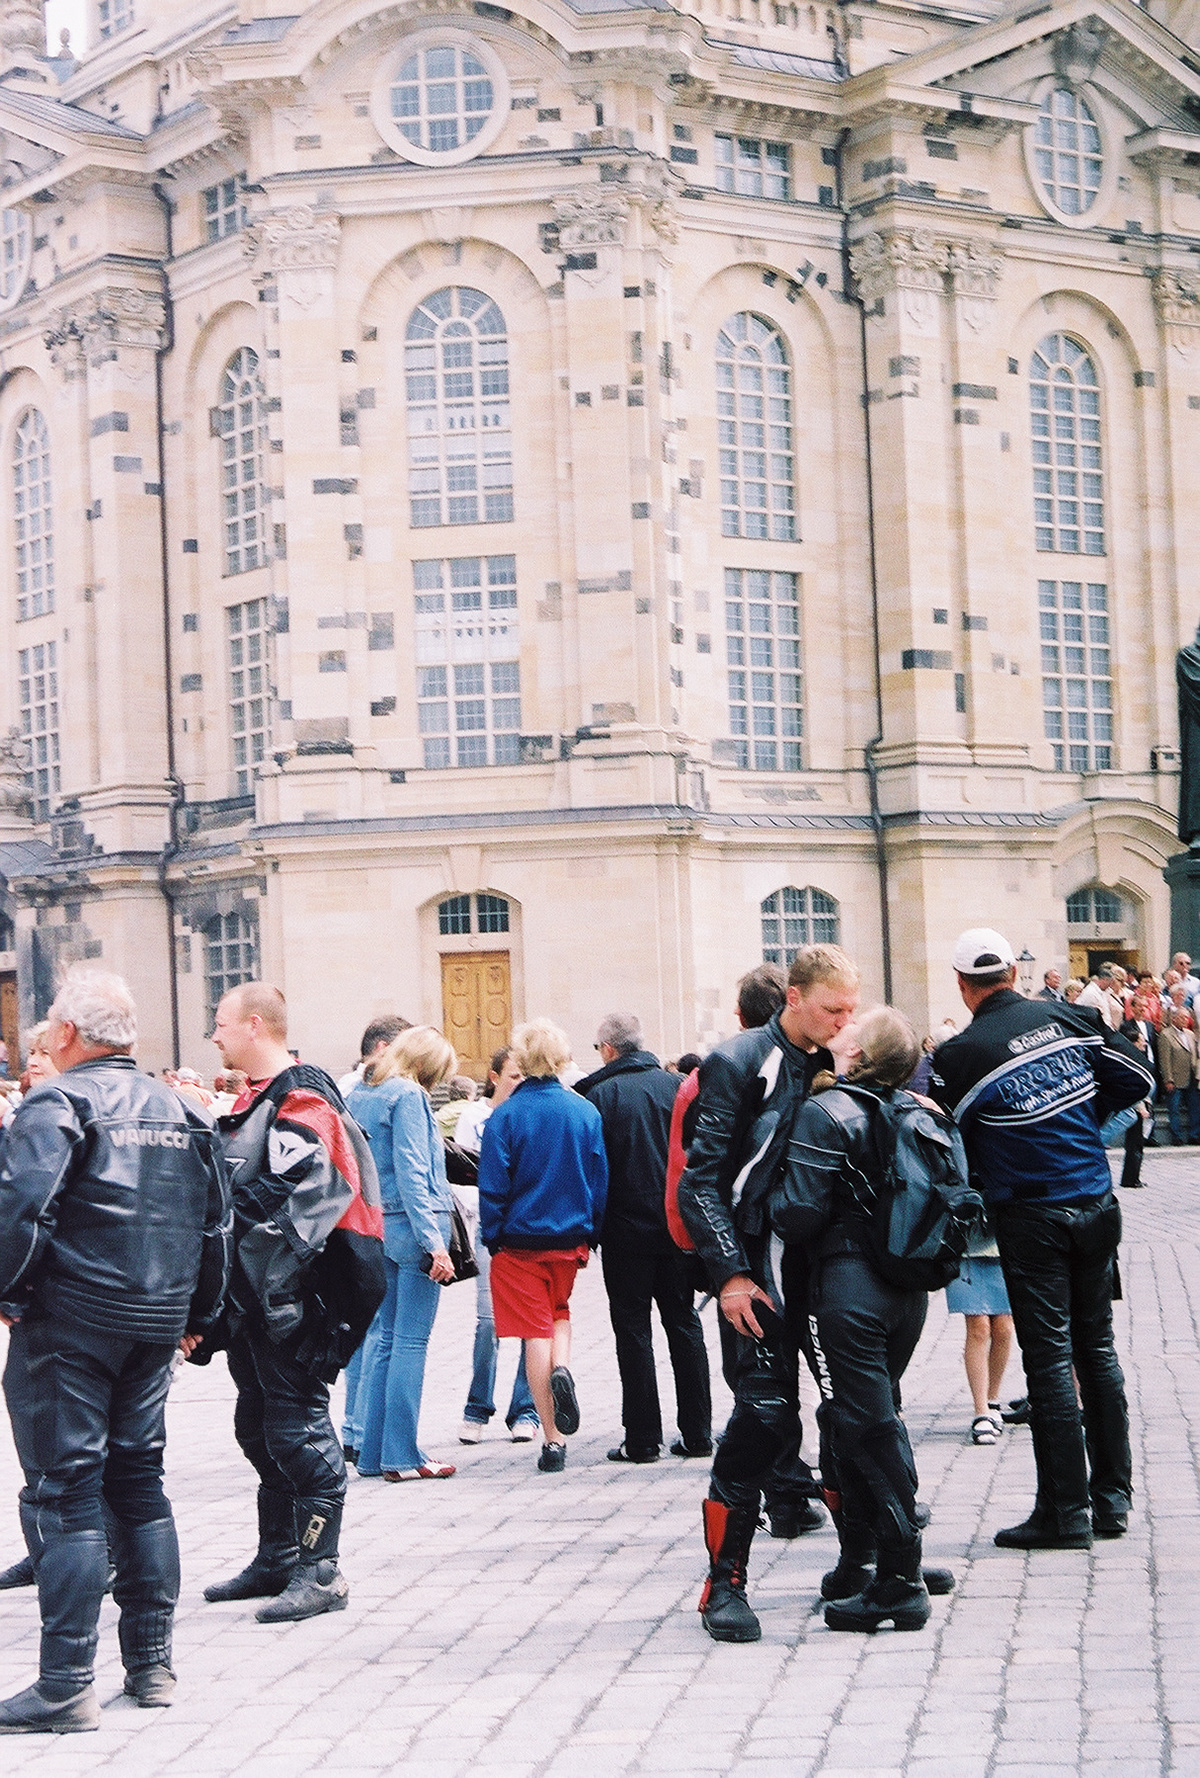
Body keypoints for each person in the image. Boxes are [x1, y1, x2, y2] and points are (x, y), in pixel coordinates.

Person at [0, 969, 230, 1731]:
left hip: (70, 1321)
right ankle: (152, 1666)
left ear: (66, 1034)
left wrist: (7, 1295)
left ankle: (66, 1682)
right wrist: (196, 1316)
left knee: (66, 1495)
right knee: (138, 1482)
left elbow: (24, 1211)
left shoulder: (56, 1099)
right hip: (154, 1320)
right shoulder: (183, 1106)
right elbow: (213, 1227)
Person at [931, 929, 1153, 1549]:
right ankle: (1111, 1500)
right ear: (1011, 972)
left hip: (1031, 1218)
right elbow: (1137, 1080)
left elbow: (949, 1143)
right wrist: (1081, 1122)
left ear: (962, 985)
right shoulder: (1070, 1016)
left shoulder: (959, 1054)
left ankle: (1064, 1511)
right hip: (1094, 1202)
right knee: (1096, 1352)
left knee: (1051, 1359)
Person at [678, 944, 859, 1642]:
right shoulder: (739, 1060)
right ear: (795, 998)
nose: (846, 1019)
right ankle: (724, 1581)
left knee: (854, 1410)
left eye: (851, 1007)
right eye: (833, 1008)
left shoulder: (840, 1058)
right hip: (756, 1264)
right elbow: (702, 1181)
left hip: (828, 1265)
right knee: (765, 1418)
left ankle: (867, 1557)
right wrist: (728, 1274)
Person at [203, 983, 385, 1622]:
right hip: (262, 1298)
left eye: (221, 1024)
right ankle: (278, 1557)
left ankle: (321, 1570)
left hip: (299, 1298)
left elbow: (301, 1201)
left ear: (255, 1026)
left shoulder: (302, 1099)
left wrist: (233, 1262)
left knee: (297, 1427)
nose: (214, 1035)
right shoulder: (263, 1099)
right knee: (258, 1424)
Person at [770, 1007, 955, 1632]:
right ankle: (865, 1558)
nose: (842, 1028)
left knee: (864, 1423)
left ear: (861, 1054)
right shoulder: (922, 1111)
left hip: (849, 1290)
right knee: (863, 1417)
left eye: (854, 1027)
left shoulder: (827, 1114)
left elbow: (797, 1215)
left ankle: (899, 1576)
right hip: (908, 1291)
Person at [576, 1014, 711, 1465]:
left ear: (609, 1049)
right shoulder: (676, 1088)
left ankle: (642, 1439)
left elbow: (593, 1170)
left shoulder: (598, 1095)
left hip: (624, 1230)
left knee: (633, 1332)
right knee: (684, 1324)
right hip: (678, 1226)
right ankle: (697, 1432)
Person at [478, 1019, 608, 1474]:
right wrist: (591, 1232)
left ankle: (552, 1439)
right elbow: (598, 1180)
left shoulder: (506, 1116)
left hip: (519, 1240)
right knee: (559, 1314)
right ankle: (565, 1367)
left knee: (534, 1332)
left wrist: (492, 1234)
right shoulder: (584, 1112)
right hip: (569, 1236)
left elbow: (493, 1185)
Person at [347, 1027, 459, 1482]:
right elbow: (415, 1171)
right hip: (414, 1228)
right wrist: (435, 1243)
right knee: (410, 1342)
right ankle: (402, 1454)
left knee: (386, 1341)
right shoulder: (408, 1097)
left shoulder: (361, 1094)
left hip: (378, 1226)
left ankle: (374, 1453)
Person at [0, 1024, 60, 1596]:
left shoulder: (63, 1119)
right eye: (30, 1052)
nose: (33, 1061)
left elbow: (30, 1212)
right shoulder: (28, 1116)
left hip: (63, 1304)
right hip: (33, 1306)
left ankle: (77, 1556)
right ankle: (42, 1549)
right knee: (30, 1431)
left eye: (44, 1051)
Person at [453, 1047, 538, 1445]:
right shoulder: (475, 1117)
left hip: (526, 1231)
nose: (519, 1084)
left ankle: (525, 1409)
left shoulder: (531, 1115)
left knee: (530, 1324)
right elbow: (463, 1174)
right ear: (494, 1076)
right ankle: (477, 1406)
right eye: (513, 1076)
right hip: (489, 1228)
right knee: (488, 1321)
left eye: (525, 1077)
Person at [944, 1215, 1014, 1446]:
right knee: (979, 1327)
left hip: (1006, 1238)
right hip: (964, 1238)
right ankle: (981, 1409)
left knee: (1004, 1326)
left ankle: (993, 1400)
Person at [336, 1015, 412, 1098]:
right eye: (405, 1051)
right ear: (384, 1048)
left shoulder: (346, 1085)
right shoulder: (400, 1090)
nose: (412, 1059)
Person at [1156, 1007, 1200, 1146]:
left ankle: (1194, 1134)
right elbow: (1165, 1059)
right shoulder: (1166, 1034)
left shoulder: (1190, 1034)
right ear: (1174, 1018)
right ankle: (1176, 1136)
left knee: (1194, 1107)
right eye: (1181, 1017)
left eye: (1186, 1018)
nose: (1185, 1020)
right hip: (1175, 1077)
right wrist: (1168, 1079)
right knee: (1174, 1109)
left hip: (1191, 1077)